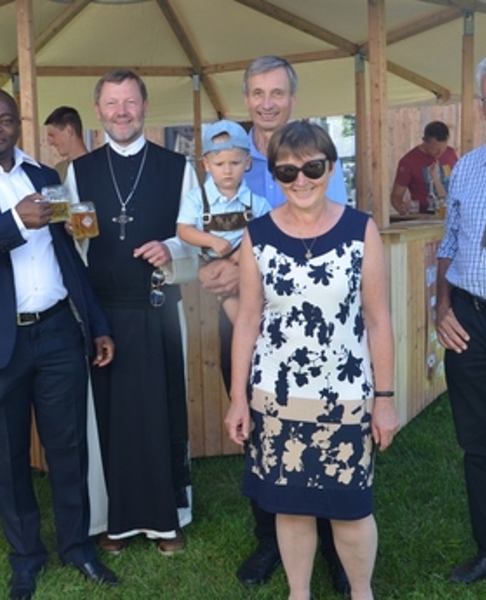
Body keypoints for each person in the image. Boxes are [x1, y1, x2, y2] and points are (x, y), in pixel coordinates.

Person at [0, 88, 117, 600]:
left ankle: (77, 547)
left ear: (18, 125)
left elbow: (67, 257)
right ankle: (26, 557)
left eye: (5, 119)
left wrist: (96, 321)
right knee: (10, 457)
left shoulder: (44, 175)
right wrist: (12, 223)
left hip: (58, 332)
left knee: (69, 447)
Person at [225, 119, 399, 600]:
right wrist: (238, 399)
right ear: (274, 176)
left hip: (346, 396)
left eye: (312, 168)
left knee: (351, 508)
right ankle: (297, 594)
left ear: (331, 168)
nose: (300, 180)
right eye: (287, 172)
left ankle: (361, 593)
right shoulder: (257, 236)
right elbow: (247, 321)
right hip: (276, 398)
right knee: (291, 507)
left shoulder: (361, 230)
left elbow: (378, 319)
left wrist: (385, 399)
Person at [199, 55, 351, 592]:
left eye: (277, 93)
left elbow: (333, 238)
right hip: (242, 321)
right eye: (258, 93)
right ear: (246, 99)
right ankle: (270, 538)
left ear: (292, 98)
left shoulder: (312, 156)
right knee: (260, 434)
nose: (267, 103)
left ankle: (333, 543)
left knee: (323, 432)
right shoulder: (227, 157)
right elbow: (200, 230)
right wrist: (214, 265)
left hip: (308, 327)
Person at [68, 69, 196, 556]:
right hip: (104, 316)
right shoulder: (80, 171)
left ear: (144, 106)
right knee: (110, 419)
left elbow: (195, 236)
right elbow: (74, 248)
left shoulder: (177, 167)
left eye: (130, 102)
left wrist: (170, 248)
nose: (121, 112)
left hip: (158, 309)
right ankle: (114, 520)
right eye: (112, 103)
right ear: (98, 111)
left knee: (162, 412)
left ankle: (167, 519)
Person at [435, 56, 486, 586]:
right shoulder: (467, 168)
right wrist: (441, 308)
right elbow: (449, 243)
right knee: (477, 442)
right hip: (470, 317)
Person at [176, 119, 270, 322]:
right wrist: (211, 241)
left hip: (249, 264)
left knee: (260, 312)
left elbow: (268, 232)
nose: (227, 170)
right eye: (219, 164)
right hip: (214, 265)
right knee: (240, 320)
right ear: (206, 164)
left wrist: (239, 256)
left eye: (234, 163)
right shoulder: (196, 199)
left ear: (247, 162)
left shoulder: (256, 202)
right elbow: (184, 230)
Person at [390, 120, 458, 215]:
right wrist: (401, 208)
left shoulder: (450, 153)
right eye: (435, 148)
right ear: (424, 141)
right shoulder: (409, 161)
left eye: (443, 148)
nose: (440, 152)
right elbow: (396, 196)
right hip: (423, 216)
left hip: (451, 214)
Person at [44, 106, 88, 182]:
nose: (50, 142)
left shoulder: (98, 169)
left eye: (52, 135)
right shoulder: (58, 170)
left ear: (69, 131)